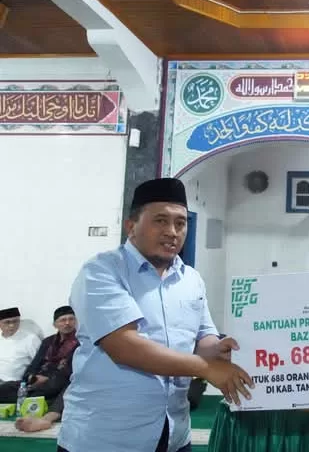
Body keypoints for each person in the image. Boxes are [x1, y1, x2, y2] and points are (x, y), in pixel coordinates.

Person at [57, 178, 255, 452]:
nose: (172, 232)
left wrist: (219, 350)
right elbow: (124, 346)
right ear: (131, 226)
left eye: (180, 223)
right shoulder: (102, 271)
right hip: (106, 438)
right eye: (160, 221)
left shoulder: (191, 279)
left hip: (174, 434)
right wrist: (207, 368)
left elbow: (202, 337)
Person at [0, 306, 78, 408]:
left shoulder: (80, 343)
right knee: (6, 388)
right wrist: (31, 377)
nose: (67, 323)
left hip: (57, 381)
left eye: (71, 319)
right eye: (63, 320)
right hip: (35, 381)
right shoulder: (48, 341)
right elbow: (34, 364)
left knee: (53, 386)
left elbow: (69, 369)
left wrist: (47, 379)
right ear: (55, 324)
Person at [0, 307, 41, 383]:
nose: (12, 325)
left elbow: (40, 363)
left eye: (15, 321)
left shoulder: (30, 339)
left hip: (12, 383)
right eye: (7, 322)